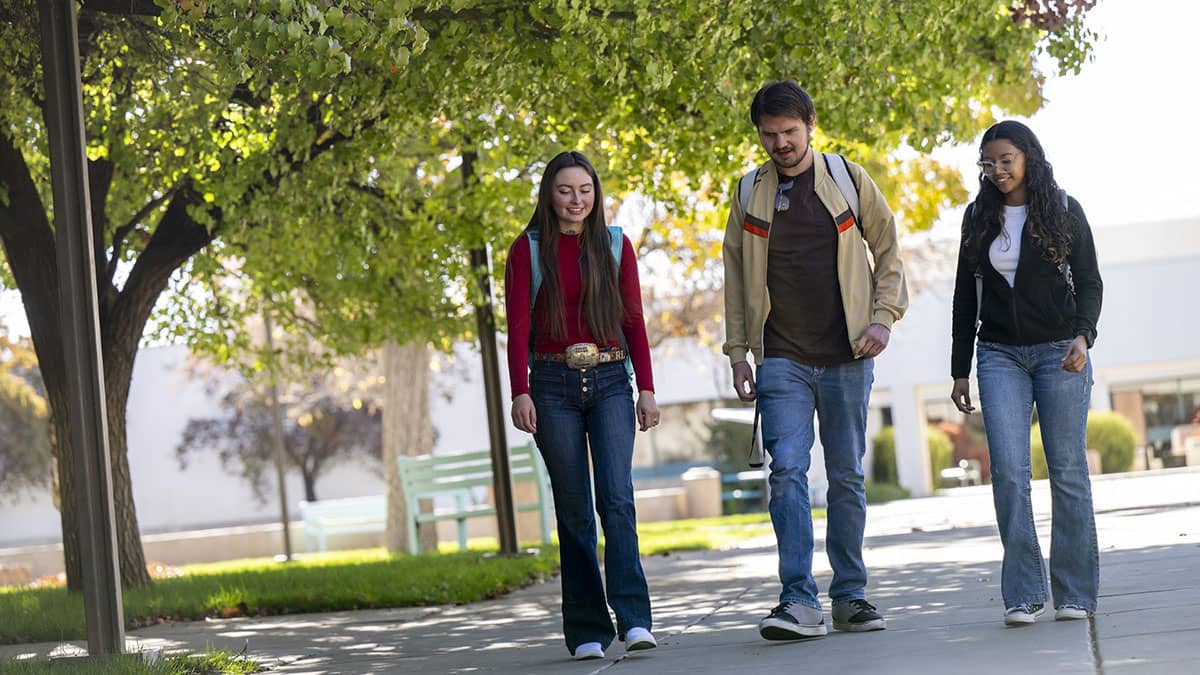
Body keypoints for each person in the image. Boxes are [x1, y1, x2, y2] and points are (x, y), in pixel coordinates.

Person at [722, 80, 908, 640]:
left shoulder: (849, 180)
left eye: (790, 132)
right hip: (781, 356)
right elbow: (734, 277)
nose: (781, 143)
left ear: (810, 124)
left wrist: (884, 316)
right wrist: (737, 354)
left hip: (849, 353)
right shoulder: (748, 192)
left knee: (848, 476)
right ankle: (798, 600)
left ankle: (851, 595)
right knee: (787, 473)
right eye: (770, 135)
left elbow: (889, 247)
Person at [504, 150, 660, 660]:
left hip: (614, 380)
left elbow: (634, 320)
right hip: (551, 387)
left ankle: (635, 619)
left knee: (617, 499)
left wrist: (647, 388)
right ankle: (587, 630)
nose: (577, 200)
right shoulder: (526, 250)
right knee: (574, 512)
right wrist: (519, 390)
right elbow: (518, 327)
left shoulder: (615, 245)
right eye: (566, 190)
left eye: (585, 190)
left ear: (596, 194)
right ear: (549, 194)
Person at [950, 120, 1102, 626]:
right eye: (988, 163)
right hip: (998, 355)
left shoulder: (1063, 209)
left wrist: (1084, 336)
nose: (996, 171)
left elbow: (1090, 281)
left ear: (1028, 158)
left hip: (1061, 352)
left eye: (1006, 160)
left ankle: (1075, 593)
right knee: (1010, 475)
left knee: (1067, 472)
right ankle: (1024, 594)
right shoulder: (977, 217)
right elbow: (963, 297)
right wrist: (959, 370)